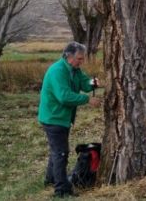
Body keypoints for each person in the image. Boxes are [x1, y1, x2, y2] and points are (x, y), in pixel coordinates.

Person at [38, 42, 101, 198]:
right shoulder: (57, 72)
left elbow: (86, 84)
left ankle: (51, 179)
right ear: (68, 56)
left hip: (62, 118)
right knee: (61, 153)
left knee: (56, 151)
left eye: (82, 58)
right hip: (53, 117)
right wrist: (87, 100)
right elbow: (64, 97)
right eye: (79, 58)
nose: (82, 62)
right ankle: (62, 190)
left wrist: (94, 82)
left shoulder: (75, 70)